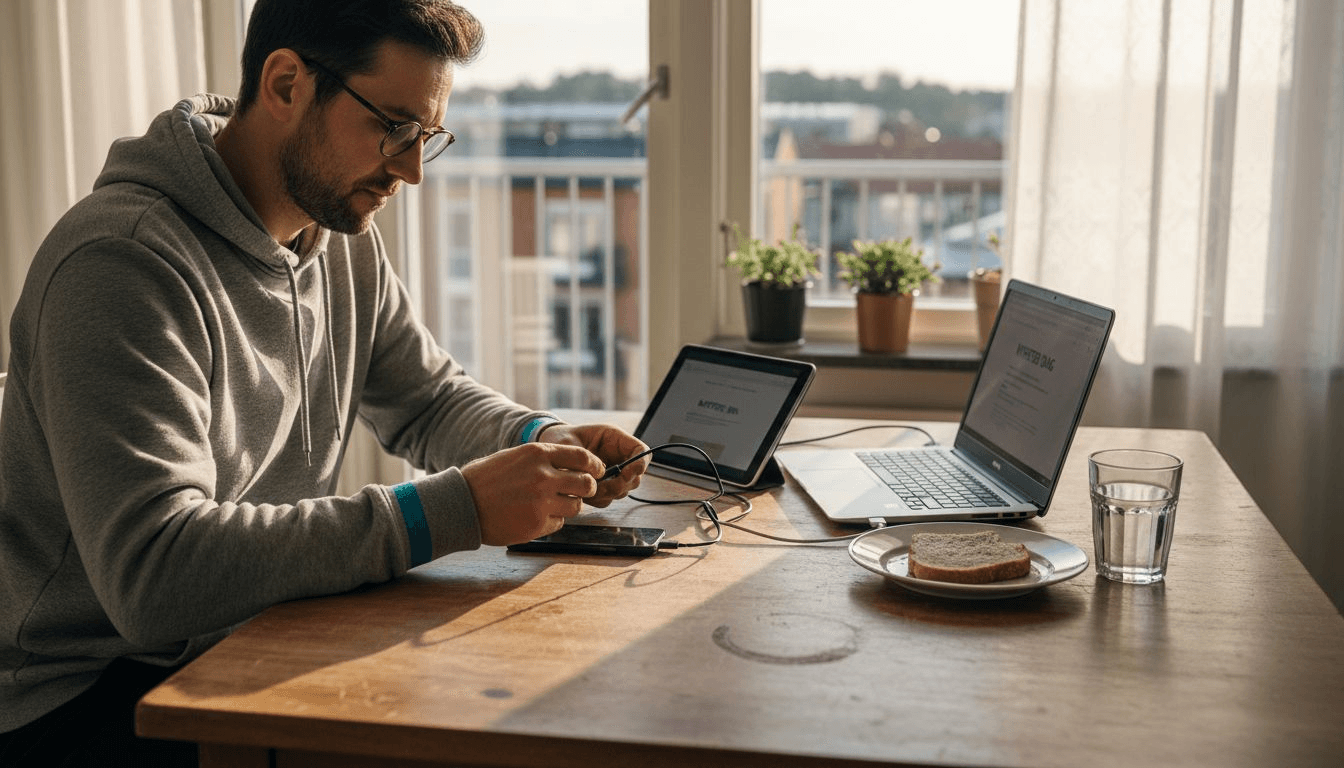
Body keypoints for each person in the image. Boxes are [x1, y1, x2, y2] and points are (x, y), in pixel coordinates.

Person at [0, 1, 650, 764]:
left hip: (247, 630)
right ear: (285, 84)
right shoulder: (120, 265)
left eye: (427, 138)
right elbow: (153, 578)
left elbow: (429, 396)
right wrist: (457, 508)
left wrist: (537, 439)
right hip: (84, 693)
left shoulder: (334, 228)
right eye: (395, 128)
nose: (410, 169)